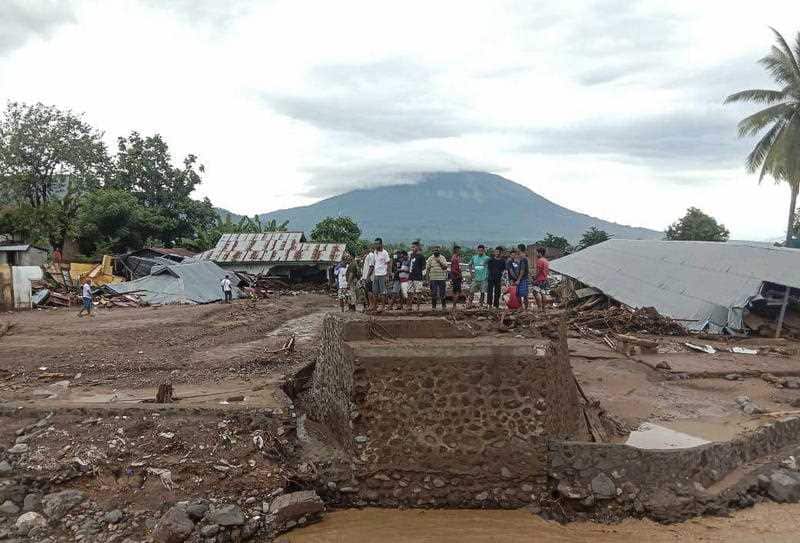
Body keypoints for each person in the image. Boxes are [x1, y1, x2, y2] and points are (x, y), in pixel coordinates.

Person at [370, 237, 391, 313]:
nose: (375, 245)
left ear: (381, 244)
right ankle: (375, 307)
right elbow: (373, 265)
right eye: (375, 244)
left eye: (377, 244)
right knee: (375, 292)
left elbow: (388, 264)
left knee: (383, 292)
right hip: (376, 274)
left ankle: (383, 307)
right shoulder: (375, 252)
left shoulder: (385, 253)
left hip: (383, 274)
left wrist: (388, 275)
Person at [467, 244, 490, 309]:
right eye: (479, 250)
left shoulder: (487, 258)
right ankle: (470, 303)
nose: (480, 251)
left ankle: (481, 304)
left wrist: (488, 274)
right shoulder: (474, 257)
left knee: (482, 292)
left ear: (484, 250)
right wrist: (471, 274)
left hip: (484, 279)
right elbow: (469, 265)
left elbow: (492, 266)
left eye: (482, 250)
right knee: (471, 291)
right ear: (477, 250)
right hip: (475, 278)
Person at [426, 245, 448, 310]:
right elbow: (427, 270)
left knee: (442, 292)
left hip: (441, 278)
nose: (436, 251)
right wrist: (427, 280)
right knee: (434, 293)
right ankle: (434, 307)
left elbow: (445, 267)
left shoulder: (443, 258)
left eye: (437, 250)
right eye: (434, 250)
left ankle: (444, 306)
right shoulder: (430, 258)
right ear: (433, 251)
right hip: (433, 279)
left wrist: (439, 262)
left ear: (439, 251)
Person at [407, 241, 426, 311]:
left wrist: (423, 277)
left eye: (414, 247)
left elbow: (424, 267)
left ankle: (417, 307)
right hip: (410, 276)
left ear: (417, 247)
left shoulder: (421, 256)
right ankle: (409, 306)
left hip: (418, 277)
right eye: (412, 247)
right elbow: (410, 265)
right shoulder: (411, 255)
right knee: (409, 292)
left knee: (418, 292)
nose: (412, 248)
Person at [532, 247, 550, 312]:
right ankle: (544, 308)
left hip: (539, 279)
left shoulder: (540, 260)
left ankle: (539, 307)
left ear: (540, 253)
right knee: (543, 293)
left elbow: (538, 271)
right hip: (545, 279)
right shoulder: (546, 261)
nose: (536, 254)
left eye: (537, 253)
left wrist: (534, 277)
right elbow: (547, 271)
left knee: (535, 292)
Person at [360, 245, 376, 312]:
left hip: (369, 277)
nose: (362, 251)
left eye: (363, 250)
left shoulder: (371, 255)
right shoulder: (366, 256)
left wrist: (367, 276)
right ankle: (370, 305)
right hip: (366, 277)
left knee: (370, 291)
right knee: (367, 291)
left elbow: (371, 267)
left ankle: (372, 305)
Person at [516, 243, 531, 310]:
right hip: (523, 278)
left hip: (523, 278)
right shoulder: (523, 258)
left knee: (523, 294)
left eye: (517, 248)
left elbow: (522, 270)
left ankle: (524, 308)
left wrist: (518, 279)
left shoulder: (523, 258)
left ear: (520, 249)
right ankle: (523, 308)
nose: (517, 250)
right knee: (522, 294)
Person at [449, 245, 463, 310]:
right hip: (456, 277)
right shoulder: (454, 258)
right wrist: (459, 274)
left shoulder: (456, 257)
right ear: (456, 250)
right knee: (457, 292)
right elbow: (453, 270)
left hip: (455, 277)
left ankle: (454, 305)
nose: (460, 251)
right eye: (459, 250)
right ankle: (454, 305)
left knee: (455, 291)